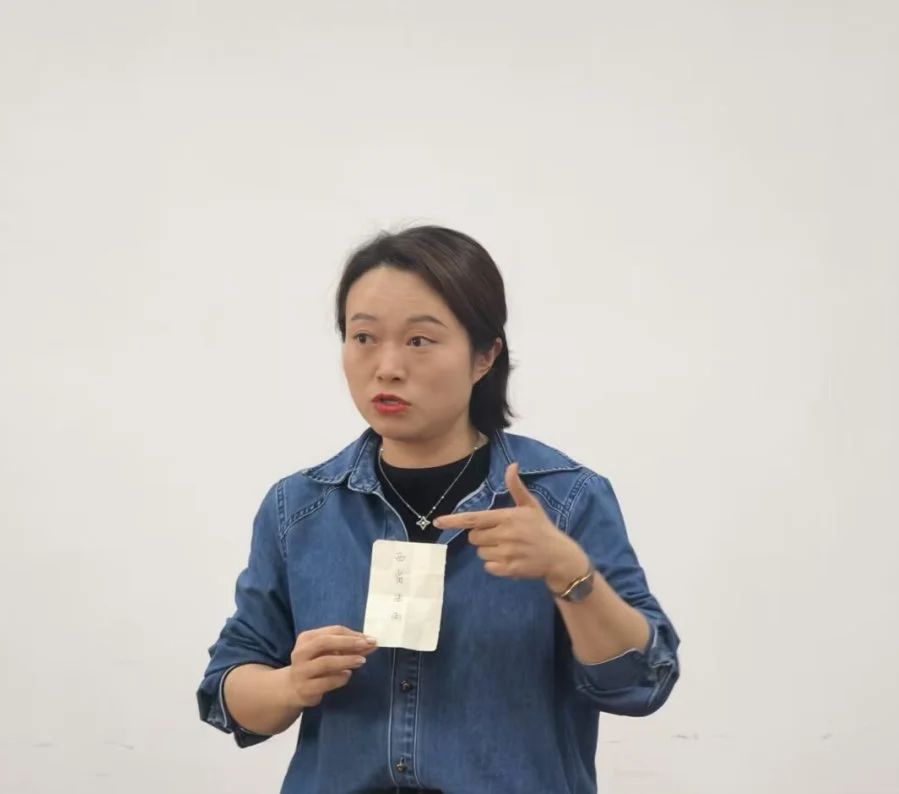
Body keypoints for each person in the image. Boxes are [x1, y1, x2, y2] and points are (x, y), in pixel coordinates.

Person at [197, 225, 681, 793]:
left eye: (419, 340)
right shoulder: (299, 508)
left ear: (484, 356)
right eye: (363, 337)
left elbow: (640, 685)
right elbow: (227, 690)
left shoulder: (565, 499)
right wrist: (289, 686)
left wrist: (569, 573)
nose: (387, 366)